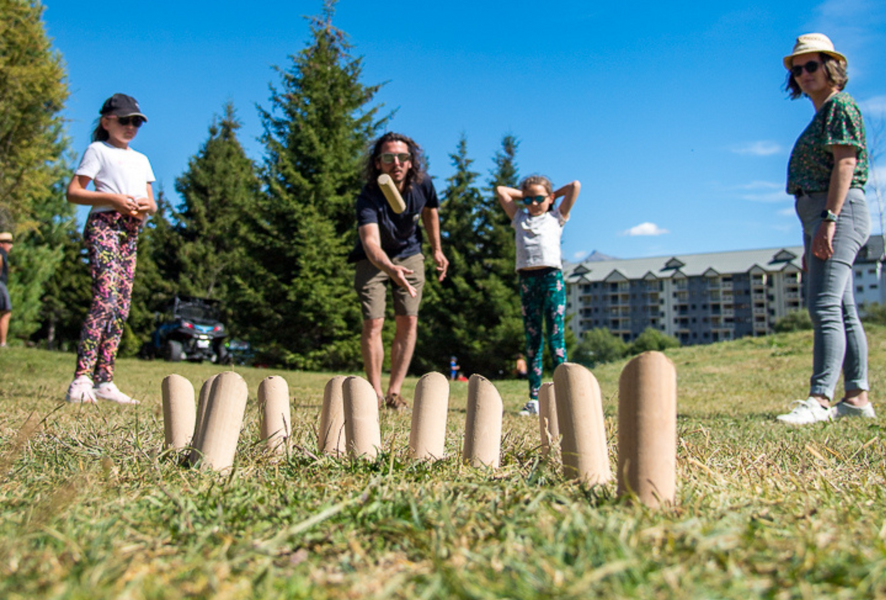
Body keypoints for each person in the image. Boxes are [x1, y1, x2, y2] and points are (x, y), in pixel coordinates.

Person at [776, 34, 875, 424]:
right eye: (797, 69)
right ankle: (856, 399)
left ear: (832, 69)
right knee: (843, 307)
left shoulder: (840, 106)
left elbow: (845, 165)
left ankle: (819, 400)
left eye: (811, 66)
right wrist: (813, 229)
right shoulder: (822, 114)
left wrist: (829, 221)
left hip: (838, 211)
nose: (803, 74)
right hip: (819, 215)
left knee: (824, 305)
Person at [64, 93, 156, 404]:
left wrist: (144, 206)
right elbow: (74, 192)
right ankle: (81, 378)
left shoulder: (141, 160)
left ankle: (105, 379)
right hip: (103, 225)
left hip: (130, 231)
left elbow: (152, 204)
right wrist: (112, 199)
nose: (131, 127)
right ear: (107, 121)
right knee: (105, 298)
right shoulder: (97, 150)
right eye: (125, 120)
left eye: (136, 122)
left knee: (120, 306)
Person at [348, 132, 448, 410]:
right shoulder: (368, 197)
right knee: (373, 323)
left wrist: (437, 248)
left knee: (408, 321)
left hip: (411, 254)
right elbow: (370, 243)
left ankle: (394, 392)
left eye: (403, 157)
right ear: (378, 163)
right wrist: (390, 268)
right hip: (373, 259)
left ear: (411, 161)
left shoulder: (423, 184)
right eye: (388, 157)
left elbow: (430, 211)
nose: (397, 162)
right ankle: (375, 392)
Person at [496, 175, 580, 415]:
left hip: (551, 280)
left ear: (550, 198)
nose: (533, 203)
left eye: (539, 198)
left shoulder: (556, 217)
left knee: (555, 336)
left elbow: (575, 186)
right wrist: (526, 196)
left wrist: (549, 196)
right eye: (528, 199)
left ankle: (563, 394)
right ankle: (534, 397)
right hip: (527, 281)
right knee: (533, 340)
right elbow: (502, 190)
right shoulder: (519, 218)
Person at [0, 232, 13, 347]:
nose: (11, 246)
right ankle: (2, 342)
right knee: (6, 312)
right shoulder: (1, 252)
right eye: (9, 243)